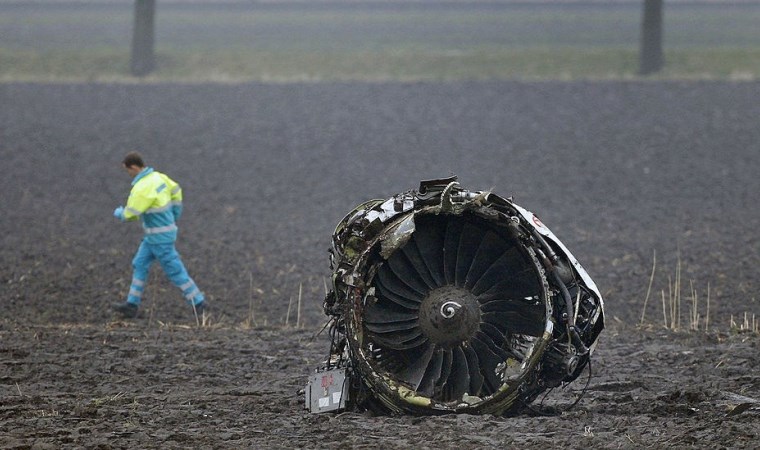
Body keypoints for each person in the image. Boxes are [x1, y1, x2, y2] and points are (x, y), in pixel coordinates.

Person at [113, 152, 206, 319]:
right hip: (156, 236)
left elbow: (131, 214)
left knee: (174, 270)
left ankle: (198, 301)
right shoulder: (159, 177)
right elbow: (176, 191)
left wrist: (119, 213)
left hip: (159, 238)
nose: (128, 174)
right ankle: (131, 304)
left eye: (128, 171)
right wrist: (175, 214)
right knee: (140, 264)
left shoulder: (142, 188)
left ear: (134, 167)